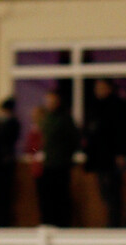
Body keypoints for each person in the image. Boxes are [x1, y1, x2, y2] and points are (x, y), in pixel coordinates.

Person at [83, 79, 126, 227]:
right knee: (103, 191)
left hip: (112, 157)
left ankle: (115, 223)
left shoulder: (117, 107)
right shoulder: (93, 107)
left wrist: (120, 153)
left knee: (113, 192)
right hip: (99, 157)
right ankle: (110, 221)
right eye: (97, 88)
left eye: (102, 88)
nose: (99, 91)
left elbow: (121, 132)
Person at [39, 91, 79, 227]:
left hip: (61, 164)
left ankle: (63, 224)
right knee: (47, 196)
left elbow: (74, 140)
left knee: (61, 196)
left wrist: (66, 156)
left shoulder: (64, 119)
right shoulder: (47, 119)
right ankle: (48, 223)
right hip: (48, 163)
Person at [0, 97, 21, 227]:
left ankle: (3, 221)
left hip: (4, 165)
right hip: (2, 164)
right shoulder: (4, 123)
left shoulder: (10, 123)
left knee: (3, 196)